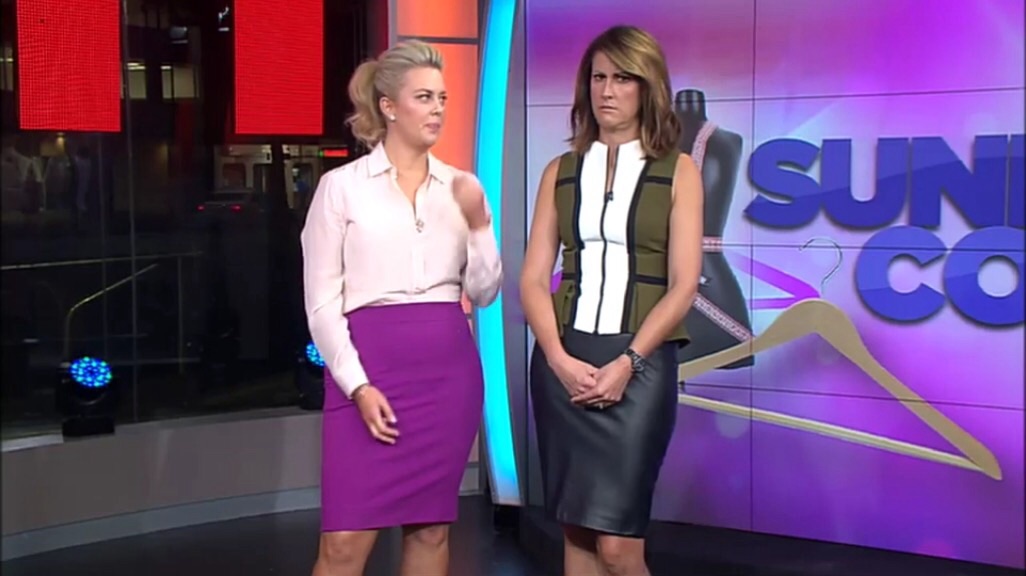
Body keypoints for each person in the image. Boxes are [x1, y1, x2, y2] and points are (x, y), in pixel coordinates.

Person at [302, 39, 502, 576]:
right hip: (366, 373)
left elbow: (484, 293)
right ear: (388, 106)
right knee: (343, 544)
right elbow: (321, 305)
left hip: (447, 376)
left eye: (442, 98)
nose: (438, 109)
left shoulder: (462, 187)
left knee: (431, 530)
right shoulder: (340, 189)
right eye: (424, 97)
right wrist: (358, 386)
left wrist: (479, 227)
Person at [519, 25, 703, 576]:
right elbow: (533, 279)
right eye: (598, 77)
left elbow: (684, 284)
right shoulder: (559, 172)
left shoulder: (679, 171)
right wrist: (557, 359)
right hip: (563, 362)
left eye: (622, 78)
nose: (606, 90)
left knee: (620, 547)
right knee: (576, 532)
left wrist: (629, 363)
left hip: (639, 366)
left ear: (648, 87)